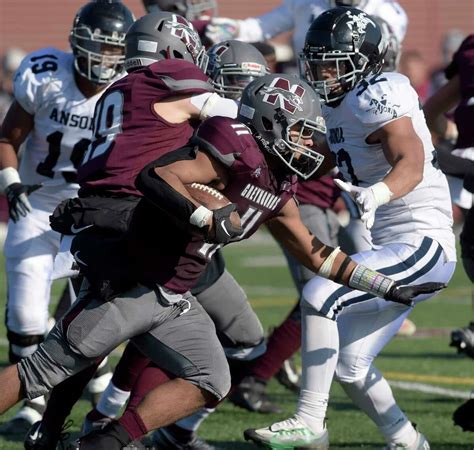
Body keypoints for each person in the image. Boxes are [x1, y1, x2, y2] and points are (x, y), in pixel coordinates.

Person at [20, 12, 259, 450]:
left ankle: (57, 429)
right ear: (174, 52)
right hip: (138, 223)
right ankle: (113, 426)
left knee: (89, 346)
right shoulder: (171, 75)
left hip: (102, 218)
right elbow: (230, 115)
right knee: (61, 359)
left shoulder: (119, 89)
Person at [244, 7, 456, 450]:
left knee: (320, 293)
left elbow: (411, 161)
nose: (321, 71)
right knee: (351, 366)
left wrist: (377, 194)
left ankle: (310, 423)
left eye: (332, 62)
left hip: (422, 242)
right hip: (395, 245)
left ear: (363, 61)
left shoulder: (380, 92)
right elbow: (325, 157)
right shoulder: (341, 107)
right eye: (316, 61)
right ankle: (408, 441)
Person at [0, 0, 134, 436]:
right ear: (77, 42)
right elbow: (8, 137)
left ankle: (97, 385)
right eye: (101, 47)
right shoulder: (44, 74)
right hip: (39, 206)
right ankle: (30, 404)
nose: (106, 59)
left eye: (116, 50)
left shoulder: (129, 89)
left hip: (93, 211)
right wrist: (10, 181)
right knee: (25, 316)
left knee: (95, 310)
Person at [204, 0, 407, 60]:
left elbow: (385, 61)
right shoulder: (306, 3)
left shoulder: (387, 13)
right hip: (310, 85)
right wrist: (235, 29)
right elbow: (262, 26)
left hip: (359, 92)